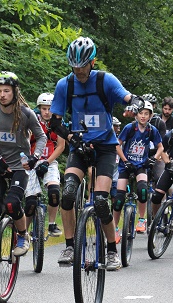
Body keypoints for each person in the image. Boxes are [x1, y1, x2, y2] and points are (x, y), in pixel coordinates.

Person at [49, 36, 136, 271]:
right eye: (74, 66)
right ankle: (69, 246)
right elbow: (55, 123)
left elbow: (128, 97)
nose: (78, 71)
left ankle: (111, 250)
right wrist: (70, 137)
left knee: (100, 201)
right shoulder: (64, 85)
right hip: (79, 146)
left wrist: (135, 104)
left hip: (105, 148)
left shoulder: (105, 81)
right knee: (67, 194)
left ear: (93, 62)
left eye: (83, 66)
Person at [0, 71, 47, 273]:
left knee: (12, 203)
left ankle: (23, 235)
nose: (2, 95)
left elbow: (41, 137)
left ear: (15, 92)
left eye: (6, 91)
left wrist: (35, 157)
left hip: (20, 166)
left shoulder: (26, 114)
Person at [113, 100, 163, 234]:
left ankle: (142, 220)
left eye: (146, 114)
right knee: (118, 199)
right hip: (126, 165)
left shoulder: (152, 130)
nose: (143, 116)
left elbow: (160, 147)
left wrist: (154, 159)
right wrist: (124, 160)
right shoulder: (129, 127)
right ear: (136, 114)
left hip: (141, 165)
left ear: (150, 116)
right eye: (141, 113)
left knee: (142, 190)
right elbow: (117, 144)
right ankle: (115, 228)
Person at [23, 93, 65, 237]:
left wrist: (47, 162)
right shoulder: (32, 121)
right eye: (44, 109)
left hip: (49, 161)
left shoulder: (58, 123)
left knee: (54, 192)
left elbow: (61, 146)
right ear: (39, 108)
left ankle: (52, 224)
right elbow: (26, 141)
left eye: (50, 109)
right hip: (32, 161)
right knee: (31, 202)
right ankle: (24, 232)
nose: (47, 112)